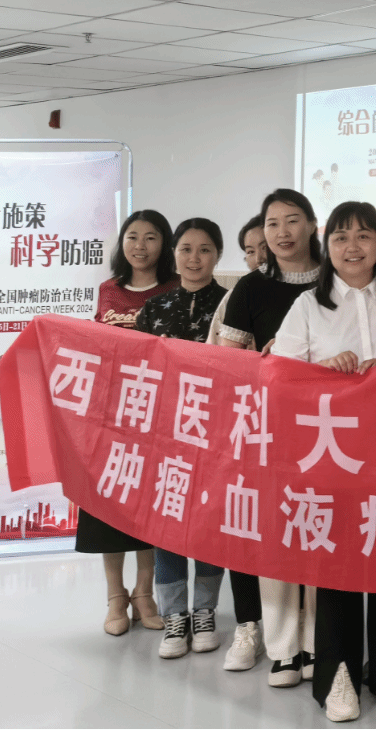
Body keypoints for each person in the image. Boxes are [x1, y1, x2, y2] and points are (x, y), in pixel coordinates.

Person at [274, 201, 376, 723]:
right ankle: (336, 673)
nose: (352, 247)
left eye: (363, 236)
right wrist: (324, 367)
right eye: (340, 237)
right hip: (331, 454)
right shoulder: (308, 306)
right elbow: (281, 376)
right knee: (336, 561)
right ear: (327, 246)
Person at [217, 190, 322, 681]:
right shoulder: (250, 287)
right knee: (273, 533)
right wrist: (271, 360)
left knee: (317, 530)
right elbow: (228, 362)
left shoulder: (336, 280)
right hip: (267, 427)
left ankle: (318, 641)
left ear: (313, 225)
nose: (282, 232)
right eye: (273, 223)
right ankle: (282, 646)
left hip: (327, 430)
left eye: (292, 220)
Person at [77, 209, 177, 636]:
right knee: (109, 505)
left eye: (151, 237)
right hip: (110, 413)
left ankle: (144, 593)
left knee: (147, 505)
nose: (140, 245)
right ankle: (115, 597)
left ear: (164, 244)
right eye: (132, 236)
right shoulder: (108, 290)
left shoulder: (174, 290)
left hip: (156, 414)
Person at [136, 218, 230, 661]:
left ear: (218, 255)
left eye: (205, 249)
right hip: (165, 434)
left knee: (210, 522)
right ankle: (174, 615)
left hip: (216, 433)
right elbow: (137, 371)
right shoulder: (153, 308)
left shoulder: (231, 305)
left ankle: (205, 611)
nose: (195, 259)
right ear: (173, 254)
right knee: (168, 521)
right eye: (186, 249)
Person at [206, 215, 265, 345]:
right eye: (250, 251)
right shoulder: (236, 295)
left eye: (265, 247)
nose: (258, 259)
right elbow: (214, 350)